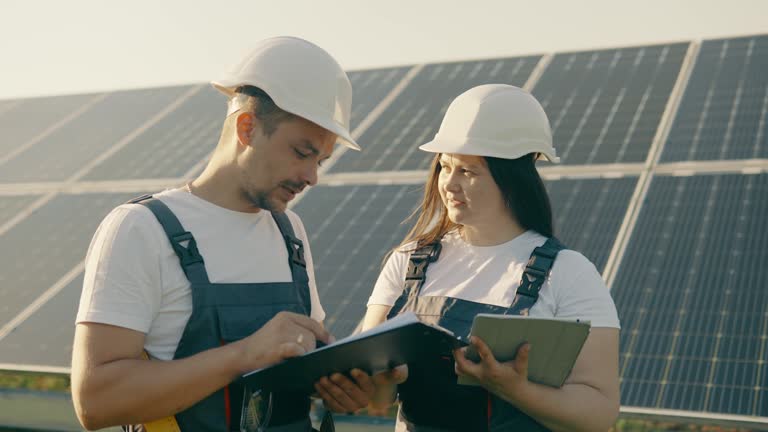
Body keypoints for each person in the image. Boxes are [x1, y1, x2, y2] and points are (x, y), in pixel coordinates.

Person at [71, 36, 376, 432]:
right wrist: (246, 354)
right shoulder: (141, 229)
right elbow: (95, 401)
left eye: (321, 159)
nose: (312, 176)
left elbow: (294, 366)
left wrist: (338, 384)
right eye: (302, 152)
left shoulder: (290, 233)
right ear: (247, 127)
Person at [362, 84, 621, 431]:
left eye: (467, 171)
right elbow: (376, 400)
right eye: (444, 166)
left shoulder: (570, 274)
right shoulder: (407, 261)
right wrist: (382, 381)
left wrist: (514, 389)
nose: (449, 184)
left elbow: (600, 412)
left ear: (513, 177)